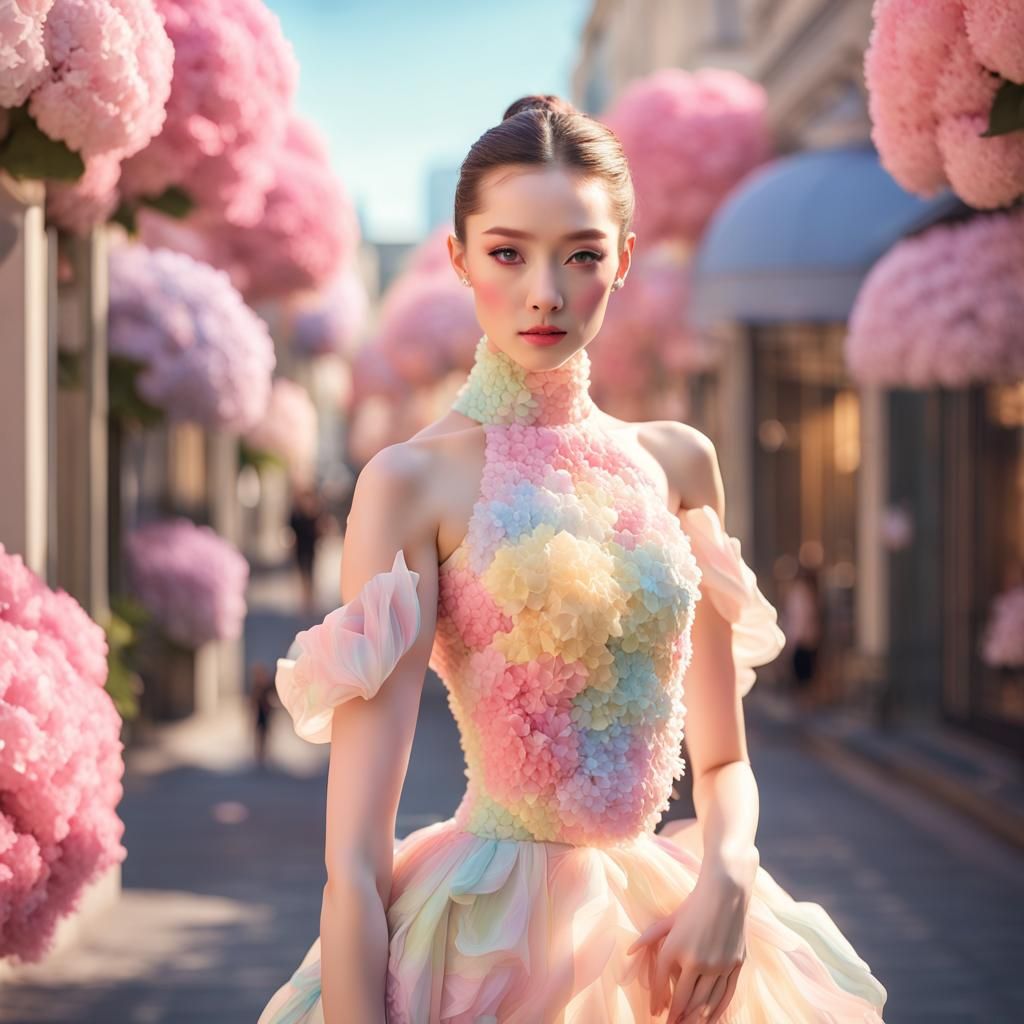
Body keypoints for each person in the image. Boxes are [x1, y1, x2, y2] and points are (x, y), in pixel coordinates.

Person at [258, 95, 888, 1024]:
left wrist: (728, 873)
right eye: (508, 252)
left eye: (581, 254)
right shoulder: (411, 481)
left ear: (622, 260)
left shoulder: (679, 462)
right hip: (490, 940)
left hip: (674, 934)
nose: (545, 291)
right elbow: (353, 855)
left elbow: (720, 764)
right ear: (460, 258)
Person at [781, 566, 823, 709]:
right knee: (803, 672)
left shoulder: (801, 593)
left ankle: (805, 700)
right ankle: (804, 700)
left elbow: (801, 616)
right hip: (803, 637)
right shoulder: (802, 592)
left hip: (802, 638)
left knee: (804, 672)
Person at [288, 482, 328, 616]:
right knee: (302, 572)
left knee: (311, 572)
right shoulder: (297, 513)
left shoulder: (315, 513)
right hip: (300, 547)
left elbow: (320, 528)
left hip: (311, 547)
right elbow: (292, 528)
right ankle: (305, 598)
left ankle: (310, 598)